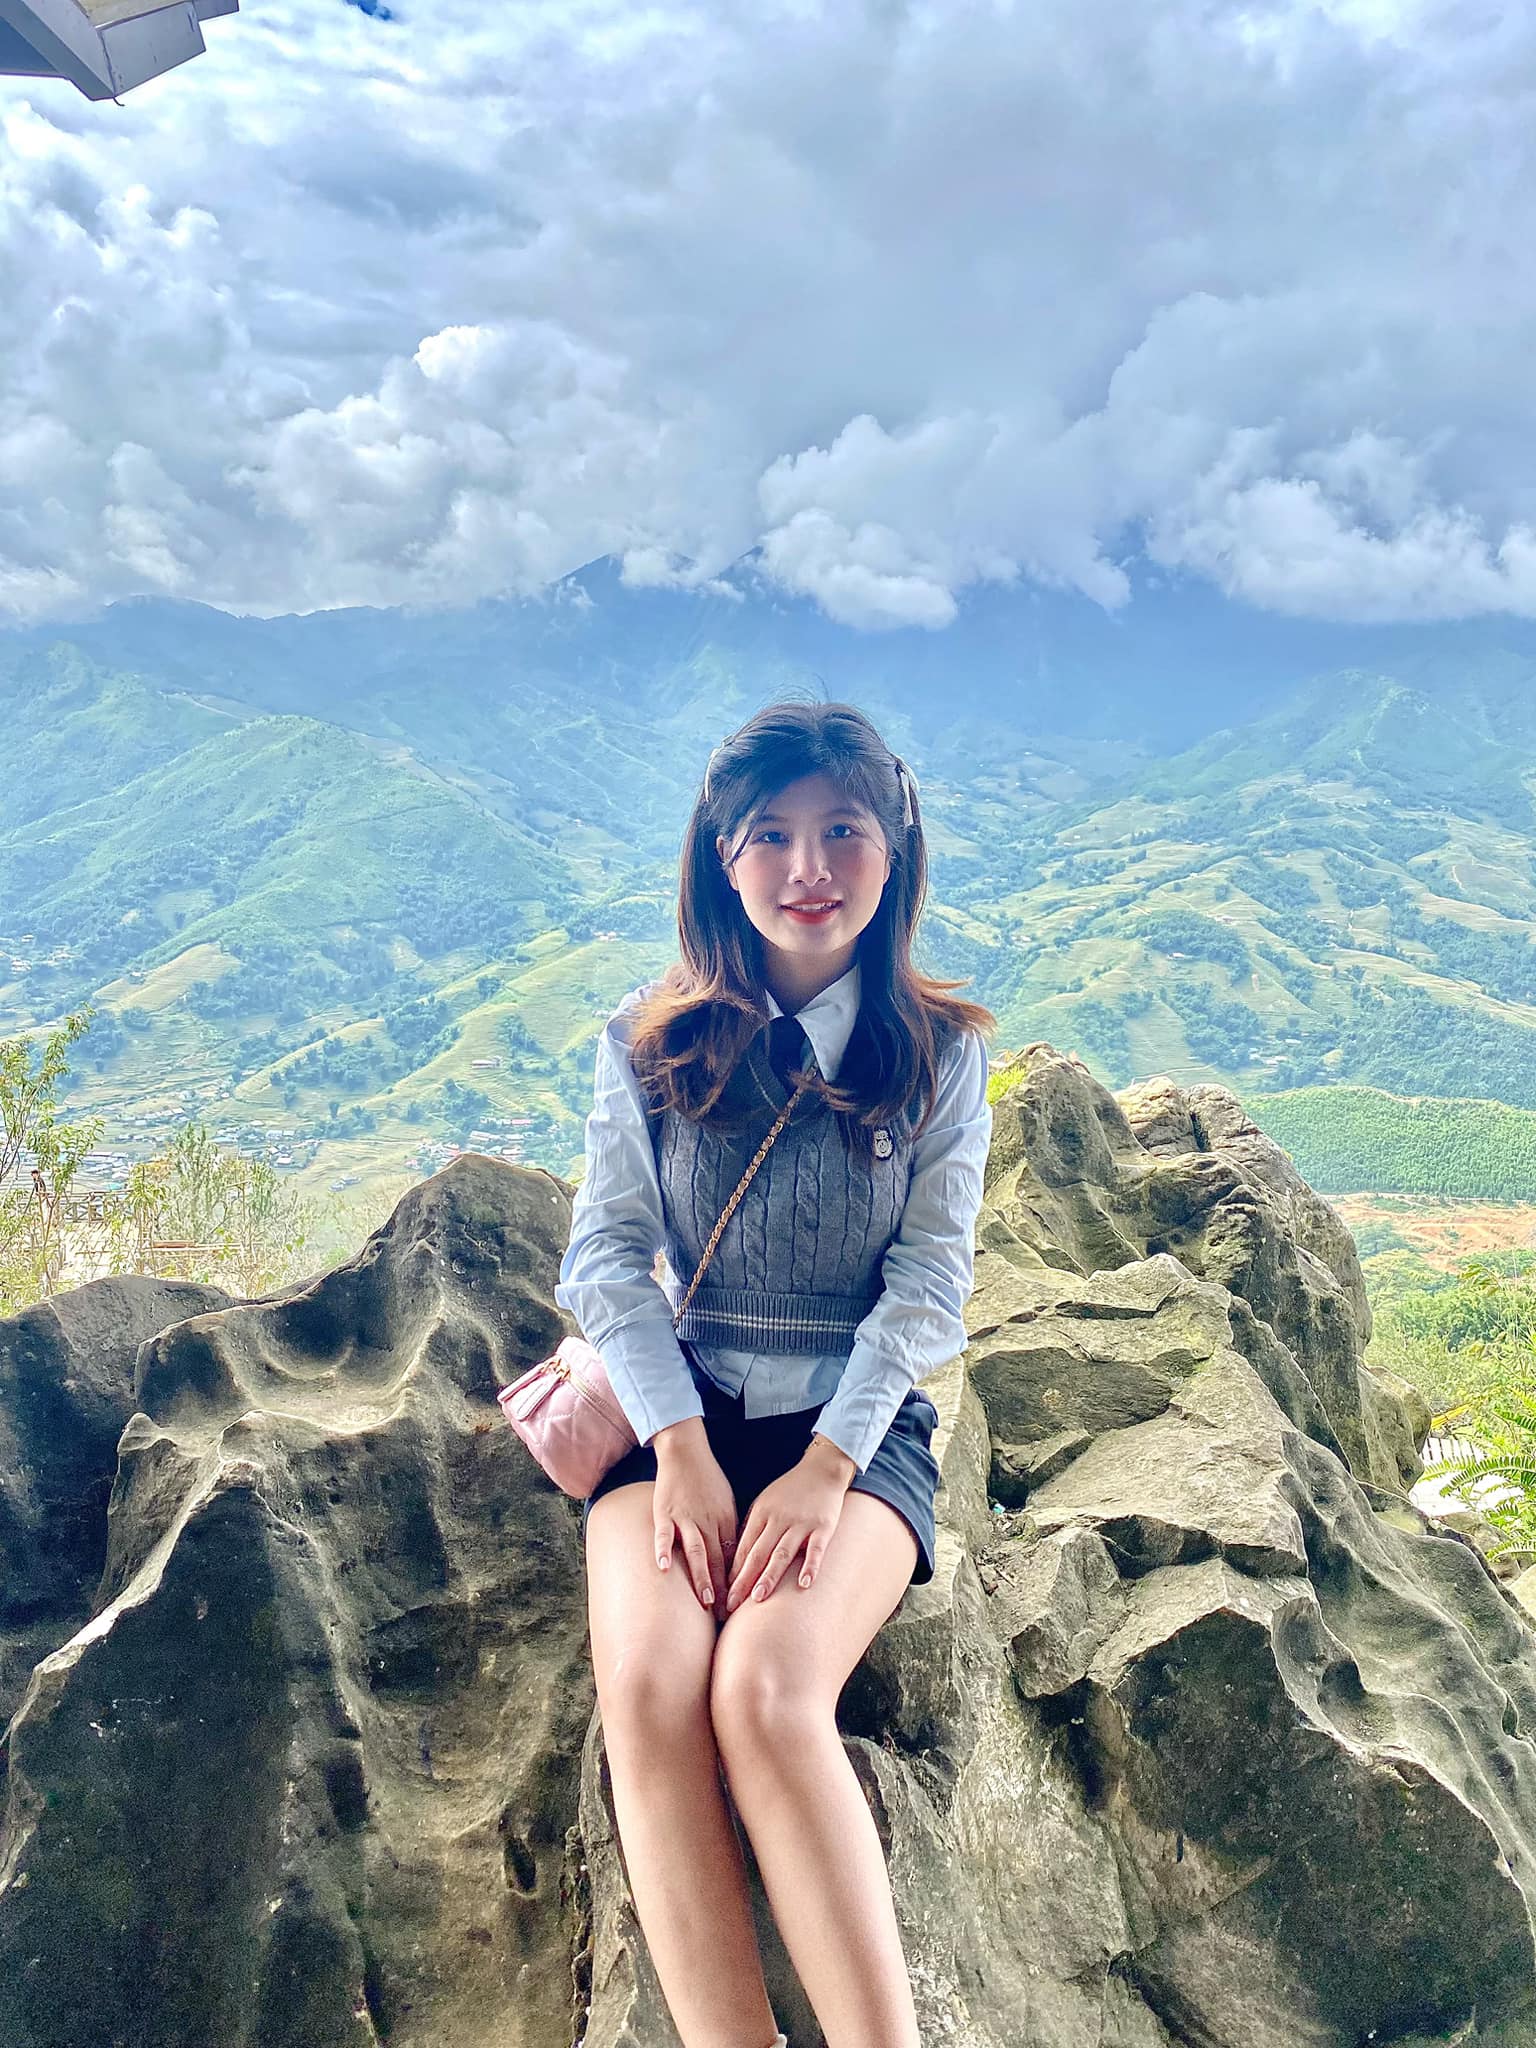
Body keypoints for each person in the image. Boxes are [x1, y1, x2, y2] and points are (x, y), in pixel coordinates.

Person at [557, 700, 995, 2048]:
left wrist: (825, 1469)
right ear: (723, 857)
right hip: (675, 1422)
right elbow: (604, 1258)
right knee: (651, 1693)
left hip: (852, 1439)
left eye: (842, 830)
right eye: (772, 835)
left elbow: (927, 1287)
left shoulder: (938, 1053)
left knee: (763, 1694)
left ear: (893, 847)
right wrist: (682, 1448)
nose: (810, 868)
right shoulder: (651, 1039)